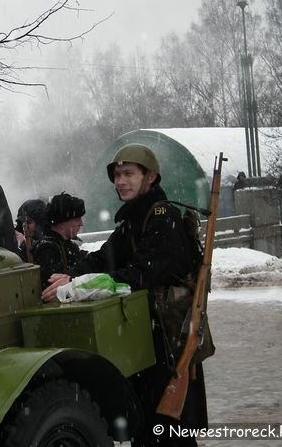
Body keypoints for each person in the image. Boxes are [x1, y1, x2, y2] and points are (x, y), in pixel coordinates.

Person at [43, 144, 207, 447]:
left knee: (169, 428)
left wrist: (86, 285)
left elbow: (143, 274)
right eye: (117, 175)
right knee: (149, 426)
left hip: (167, 340)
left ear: (151, 177)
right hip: (144, 336)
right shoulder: (134, 219)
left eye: (129, 174)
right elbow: (105, 256)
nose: (121, 181)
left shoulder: (161, 216)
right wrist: (71, 275)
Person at [33, 193, 87, 288]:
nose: (81, 224)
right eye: (77, 219)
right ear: (62, 222)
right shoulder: (47, 249)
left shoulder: (69, 246)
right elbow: (51, 286)